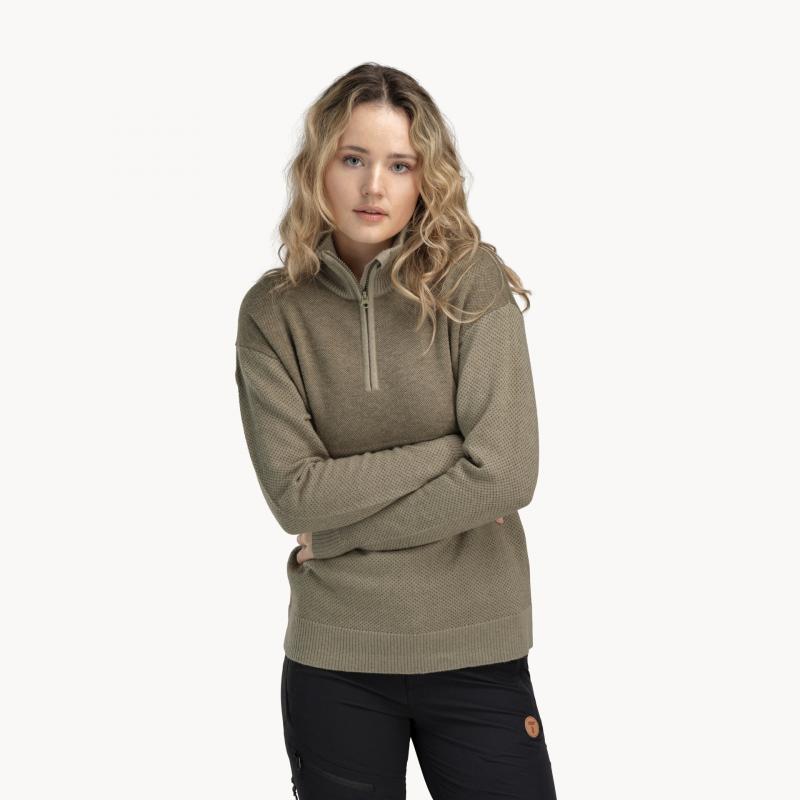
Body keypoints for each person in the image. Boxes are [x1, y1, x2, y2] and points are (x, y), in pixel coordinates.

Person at [235, 62, 557, 799]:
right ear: (318, 168)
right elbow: (296, 495)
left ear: (425, 178)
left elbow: (507, 474)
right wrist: (451, 451)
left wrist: (337, 538)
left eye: (400, 165)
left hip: (476, 646)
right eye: (353, 159)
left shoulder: (471, 283)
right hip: (335, 659)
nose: (374, 186)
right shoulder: (272, 313)